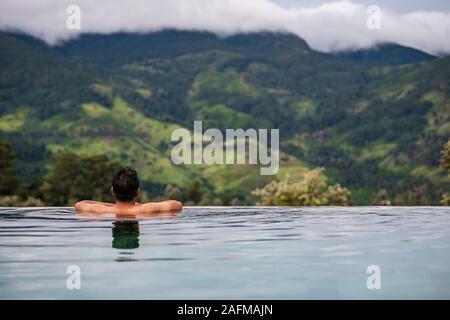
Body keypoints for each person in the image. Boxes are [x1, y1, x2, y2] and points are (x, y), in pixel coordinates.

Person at [74, 167, 182, 214]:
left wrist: (111, 206)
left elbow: (80, 204)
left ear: (113, 191)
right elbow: (177, 205)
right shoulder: (145, 210)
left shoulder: (103, 210)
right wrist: (139, 205)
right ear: (137, 192)